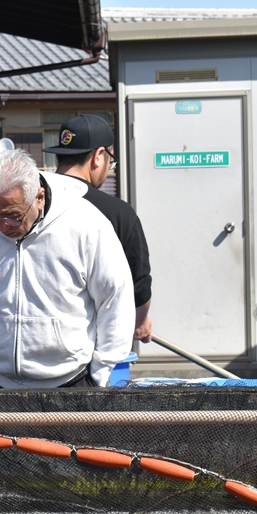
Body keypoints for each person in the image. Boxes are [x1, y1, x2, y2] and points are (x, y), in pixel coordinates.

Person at [0, 149, 134, 388]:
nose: (1, 226)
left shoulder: (87, 224)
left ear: (39, 197)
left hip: (69, 380)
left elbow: (115, 299)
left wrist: (100, 373)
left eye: (12, 216)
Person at [45, 114, 153, 343]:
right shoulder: (118, 213)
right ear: (98, 156)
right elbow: (139, 286)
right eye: (110, 161)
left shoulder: (27, 203)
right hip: (86, 347)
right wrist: (140, 321)